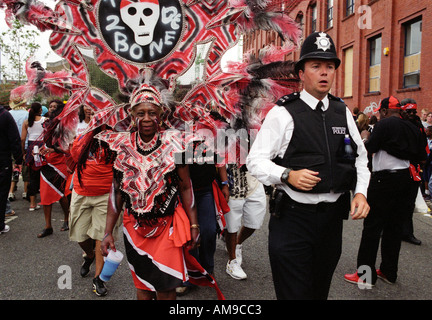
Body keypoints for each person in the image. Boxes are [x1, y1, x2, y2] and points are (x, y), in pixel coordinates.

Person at [246, 31, 370, 300]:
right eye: (316, 66)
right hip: (293, 220)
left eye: (329, 66)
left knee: (318, 292)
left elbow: (360, 157)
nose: (324, 72)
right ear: (301, 73)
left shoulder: (342, 111)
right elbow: (254, 161)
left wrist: (360, 192)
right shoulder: (284, 112)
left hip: (331, 222)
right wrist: (287, 174)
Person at [100, 79, 223, 300]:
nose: (146, 118)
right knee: (143, 287)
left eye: (151, 112)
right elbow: (116, 191)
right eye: (140, 113)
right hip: (134, 227)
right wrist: (108, 232)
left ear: (161, 113)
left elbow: (186, 187)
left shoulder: (177, 143)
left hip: (167, 227)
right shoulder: (120, 146)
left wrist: (194, 225)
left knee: (166, 288)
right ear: (132, 114)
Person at [344, 96, 426, 286]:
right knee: (394, 227)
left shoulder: (384, 124)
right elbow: (422, 156)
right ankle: (389, 272)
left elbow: (370, 148)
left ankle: (365, 275)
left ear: (384, 111)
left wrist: (365, 139)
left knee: (373, 227)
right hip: (406, 179)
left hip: (384, 179)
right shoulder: (413, 127)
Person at [68, 126, 119, 296]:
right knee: (79, 235)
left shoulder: (116, 138)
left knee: (100, 236)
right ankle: (89, 255)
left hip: (106, 195)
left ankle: (98, 278)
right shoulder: (82, 137)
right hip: (81, 192)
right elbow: (74, 158)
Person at [225, 163, 266, 280]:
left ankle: (237, 244)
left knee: (255, 220)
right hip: (232, 178)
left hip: (253, 179)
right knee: (232, 225)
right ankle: (232, 261)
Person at [37, 102, 71, 237]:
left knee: (62, 194)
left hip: (60, 163)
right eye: (50, 106)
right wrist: (42, 149)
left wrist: (53, 149)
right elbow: (46, 142)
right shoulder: (46, 124)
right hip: (47, 162)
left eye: (54, 107)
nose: (51, 109)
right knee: (45, 195)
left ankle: (67, 219)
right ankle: (48, 226)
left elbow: (69, 147)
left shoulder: (66, 126)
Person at [400, 98, 425, 245]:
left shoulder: (417, 124)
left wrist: (422, 159)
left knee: (409, 203)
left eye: (413, 111)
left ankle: (407, 232)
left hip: (414, 168)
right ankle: (388, 229)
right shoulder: (397, 124)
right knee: (394, 202)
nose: (411, 114)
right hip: (399, 167)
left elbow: (422, 146)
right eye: (408, 111)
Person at [0, 104, 23, 234]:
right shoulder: (4, 115)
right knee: (2, 191)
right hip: (3, 159)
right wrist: (18, 159)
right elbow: (14, 139)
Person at [21, 102, 45, 211]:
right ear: (40, 110)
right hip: (42, 148)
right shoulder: (45, 121)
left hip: (31, 148)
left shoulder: (26, 122)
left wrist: (24, 152)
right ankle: (45, 200)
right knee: (44, 175)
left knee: (32, 176)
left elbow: (22, 139)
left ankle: (32, 203)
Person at [8, 98, 29, 202]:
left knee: (14, 166)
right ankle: (25, 191)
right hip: (25, 144)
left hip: (10, 145)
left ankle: (11, 192)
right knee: (25, 168)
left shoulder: (9, 113)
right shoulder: (26, 114)